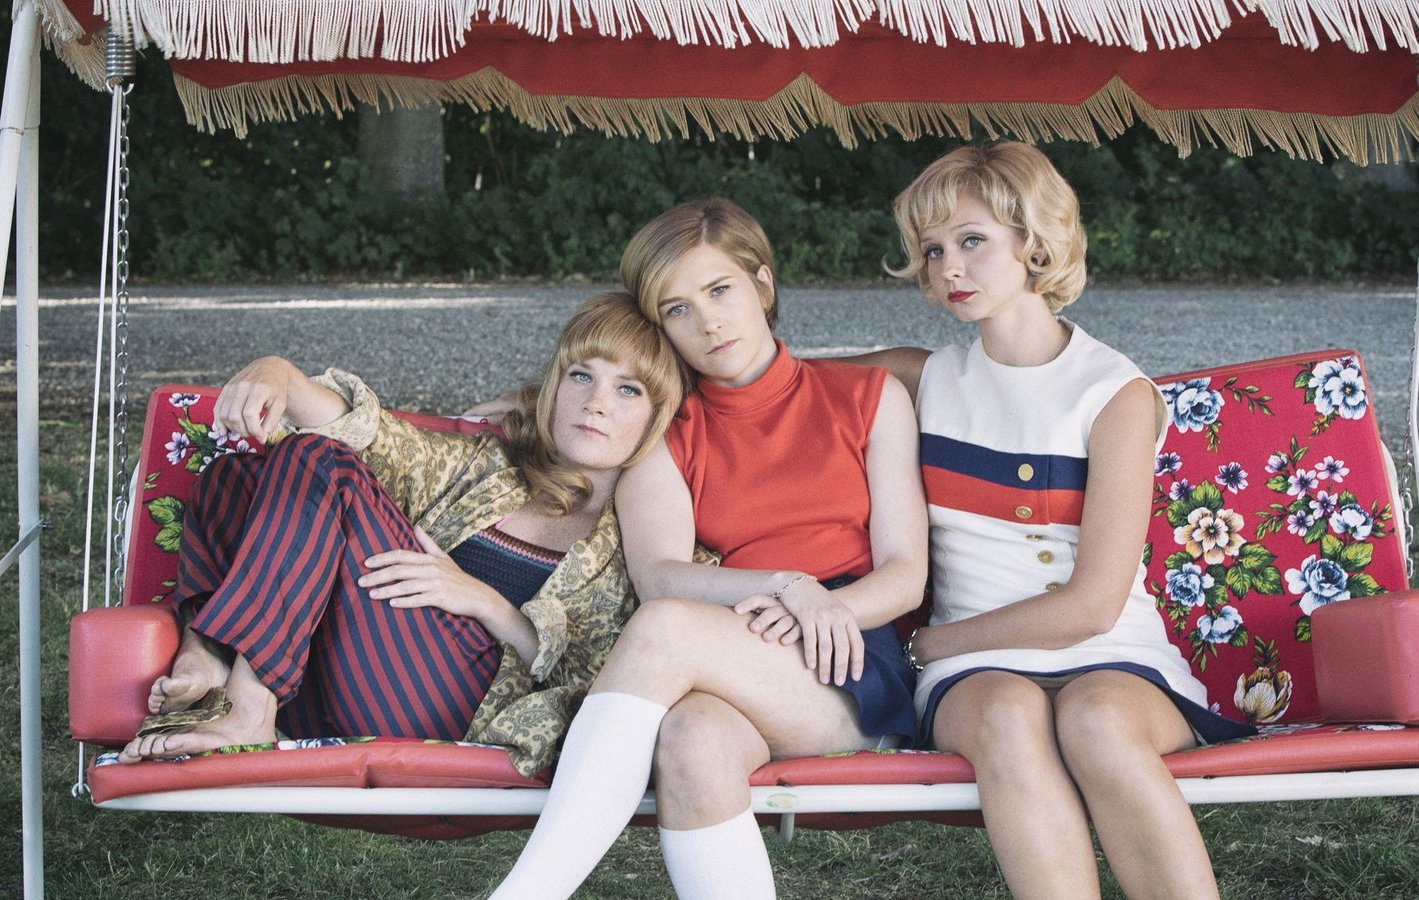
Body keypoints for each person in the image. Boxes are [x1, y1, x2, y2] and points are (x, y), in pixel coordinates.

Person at [489, 199, 927, 900]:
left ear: (763, 284)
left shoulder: (868, 396)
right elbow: (661, 576)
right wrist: (786, 585)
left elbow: (906, 574)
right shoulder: (665, 427)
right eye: (678, 309)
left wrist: (823, 605)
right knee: (692, 740)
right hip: (735, 638)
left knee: (667, 629)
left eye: (720, 290)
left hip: (850, 657)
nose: (708, 322)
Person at [863, 142, 1255, 899]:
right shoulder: (923, 378)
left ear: (1034, 244)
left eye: (971, 240)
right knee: (1008, 715)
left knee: (1097, 720)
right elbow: (768, 381)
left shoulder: (1113, 394)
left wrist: (929, 642)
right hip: (976, 675)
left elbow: (1093, 605)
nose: (949, 268)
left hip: (1113, 652)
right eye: (933, 249)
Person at [117, 292, 687, 780]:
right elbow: (378, 438)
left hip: (453, 712)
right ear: (554, 388)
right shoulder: (488, 468)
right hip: (329, 680)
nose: (596, 404)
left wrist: (485, 602)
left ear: (656, 417)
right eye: (581, 376)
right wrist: (280, 374)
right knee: (237, 475)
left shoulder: (644, 551)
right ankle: (210, 654)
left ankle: (247, 706)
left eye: (628, 390)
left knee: (322, 462)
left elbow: (603, 690)